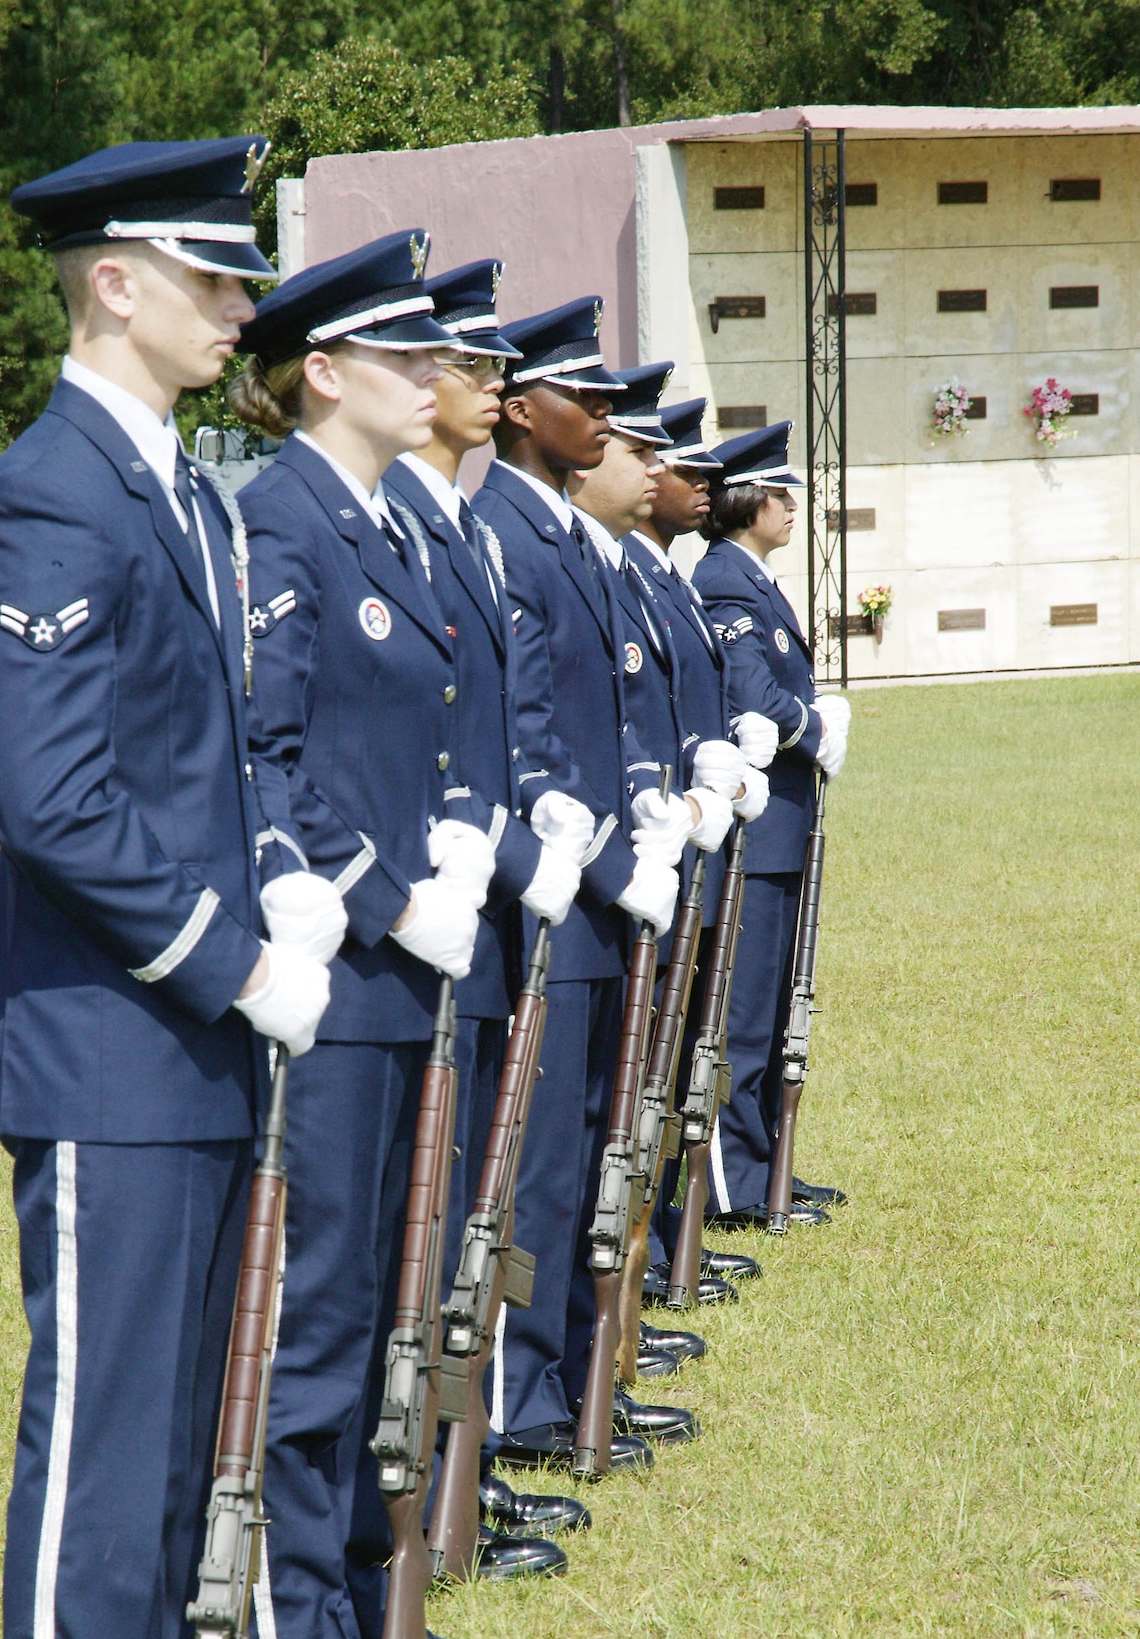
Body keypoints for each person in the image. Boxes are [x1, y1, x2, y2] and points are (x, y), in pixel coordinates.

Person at [0, 137, 367, 1639]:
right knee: (106, 1457)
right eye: (211, 279)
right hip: (110, 1048)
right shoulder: (50, 496)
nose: (239, 309)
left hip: (196, 1038)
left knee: (188, 1443)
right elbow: (53, 803)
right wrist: (223, 960)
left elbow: (228, 757)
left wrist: (280, 892)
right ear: (112, 282)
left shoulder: (185, 494)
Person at [229, 232, 518, 1639]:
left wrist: (459, 848)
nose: (434, 380)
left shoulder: (393, 522)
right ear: (322, 372)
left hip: (409, 972)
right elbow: (266, 759)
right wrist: (384, 893)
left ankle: (357, 1594)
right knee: (323, 1312)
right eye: (404, 358)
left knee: (383, 1302)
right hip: (337, 975)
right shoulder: (282, 522)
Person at [381, 260, 591, 1564]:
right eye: (466, 363)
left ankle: (460, 1466)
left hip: (488, 906)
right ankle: (442, 1474)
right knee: (437, 1227)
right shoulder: (421, 523)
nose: (485, 381)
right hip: (436, 916)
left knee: (475, 1215)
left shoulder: (454, 524)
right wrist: (498, 854)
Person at [473, 299, 682, 1475]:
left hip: (604, 887)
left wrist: (654, 811)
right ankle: (521, 1399)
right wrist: (603, 861)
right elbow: (528, 740)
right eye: (581, 396)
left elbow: (607, 721)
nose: (602, 416)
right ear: (518, 409)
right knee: (541, 1160)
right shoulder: (507, 527)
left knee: (594, 1139)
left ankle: (570, 1372)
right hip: (558, 892)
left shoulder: (552, 530)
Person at [625, 394, 770, 1296]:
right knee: (645, 1065)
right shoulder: (643, 574)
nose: (701, 484)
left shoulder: (669, 575)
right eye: (685, 468)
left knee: (677, 1055)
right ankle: (644, 1244)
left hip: (695, 825)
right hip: (649, 841)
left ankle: (663, 1226)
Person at [693, 421, 851, 1227]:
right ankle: (736, 1187)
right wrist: (812, 725)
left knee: (773, 1004)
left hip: (783, 829)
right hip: (755, 834)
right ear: (745, 500)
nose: (791, 507)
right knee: (744, 1018)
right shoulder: (724, 580)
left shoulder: (750, 578)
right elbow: (750, 694)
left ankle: (766, 1172)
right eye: (779, 493)